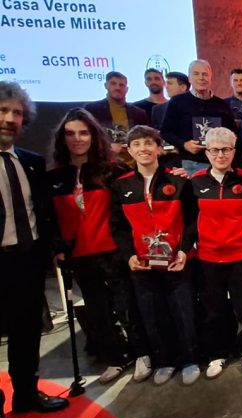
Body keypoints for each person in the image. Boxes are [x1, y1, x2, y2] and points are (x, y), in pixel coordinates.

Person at [48, 108, 151, 384]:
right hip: (79, 255)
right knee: (98, 310)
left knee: (126, 305)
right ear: (62, 139)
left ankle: (142, 353)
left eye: (83, 133)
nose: (77, 139)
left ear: (94, 136)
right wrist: (58, 248)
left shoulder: (113, 170)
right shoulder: (55, 177)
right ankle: (115, 358)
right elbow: (50, 219)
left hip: (113, 251)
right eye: (70, 134)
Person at [0, 82, 69, 418]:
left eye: (17, 113)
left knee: (27, 331)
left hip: (26, 261)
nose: (10, 119)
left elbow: (42, 212)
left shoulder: (31, 163)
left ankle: (26, 394)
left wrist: (53, 249)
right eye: (3, 110)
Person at [110, 125, 200, 385]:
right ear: (129, 151)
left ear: (159, 148)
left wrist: (184, 250)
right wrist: (129, 255)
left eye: (149, 143)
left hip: (177, 261)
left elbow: (192, 221)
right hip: (143, 264)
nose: (143, 149)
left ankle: (190, 359)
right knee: (153, 314)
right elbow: (118, 227)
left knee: (184, 311)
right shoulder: (121, 186)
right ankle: (164, 361)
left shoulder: (179, 181)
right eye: (137, 144)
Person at [191, 127, 242, 378]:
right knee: (214, 309)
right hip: (208, 257)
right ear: (207, 152)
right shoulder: (195, 181)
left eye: (226, 149)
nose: (220, 155)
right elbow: (190, 219)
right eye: (214, 150)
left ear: (233, 151)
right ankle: (217, 354)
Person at [161, 59, 238, 176]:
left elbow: (233, 133)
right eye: (196, 74)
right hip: (189, 163)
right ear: (189, 78)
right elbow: (166, 131)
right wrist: (184, 144)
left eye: (205, 74)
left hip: (218, 163)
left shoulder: (222, 104)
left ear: (211, 78)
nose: (201, 78)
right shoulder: (177, 102)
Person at [84, 71, 149, 160]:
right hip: (104, 161)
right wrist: (108, 146)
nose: (118, 88)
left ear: (127, 89)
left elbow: (146, 138)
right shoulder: (91, 110)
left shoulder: (139, 113)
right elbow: (86, 137)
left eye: (121, 85)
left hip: (136, 162)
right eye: (113, 84)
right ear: (106, 85)